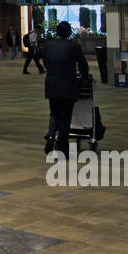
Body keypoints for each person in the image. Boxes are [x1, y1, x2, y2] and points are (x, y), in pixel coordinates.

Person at [41, 21, 89, 157]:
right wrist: (85, 77)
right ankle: (62, 145)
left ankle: (51, 136)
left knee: (54, 113)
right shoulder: (73, 46)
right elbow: (83, 64)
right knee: (65, 116)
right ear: (68, 32)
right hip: (68, 85)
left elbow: (45, 62)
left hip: (52, 84)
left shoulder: (48, 45)